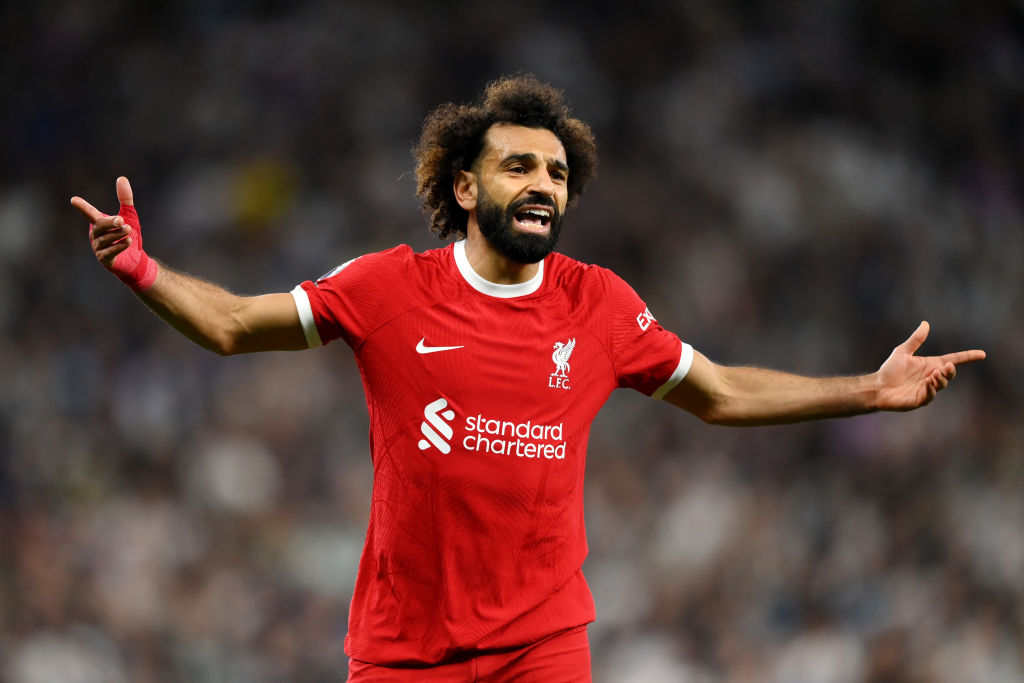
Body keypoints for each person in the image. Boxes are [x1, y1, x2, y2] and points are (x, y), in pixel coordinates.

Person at [71, 74, 985, 682]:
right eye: (518, 165)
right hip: (401, 651)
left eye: (555, 169)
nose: (543, 182)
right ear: (465, 188)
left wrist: (868, 390)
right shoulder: (389, 286)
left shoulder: (599, 305)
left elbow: (722, 392)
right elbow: (233, 325)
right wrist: (145, 273)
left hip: (539, 646)